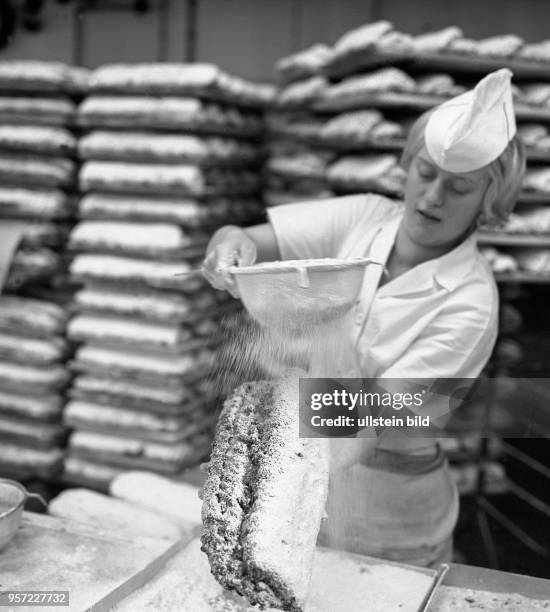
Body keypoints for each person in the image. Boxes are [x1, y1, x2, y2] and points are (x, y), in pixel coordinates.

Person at [202, 68, 526, 568]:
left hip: (393, 515)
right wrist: (230, 247)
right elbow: (246, 237)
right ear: (408, 163)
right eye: (425, 172)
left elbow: (371, 419)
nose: (434, 195)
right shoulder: (366, 216)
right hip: (307, 482)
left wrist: (255, 470)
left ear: (490, 202)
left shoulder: (471, 305)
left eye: (459, 188)